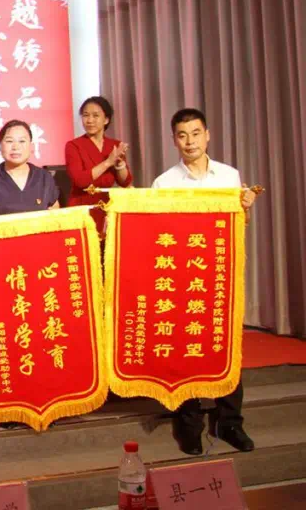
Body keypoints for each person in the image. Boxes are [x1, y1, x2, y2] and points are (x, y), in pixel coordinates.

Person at [152, 108, 257, 456]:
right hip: (182, 279)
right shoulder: (164, 183)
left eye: (195, 133)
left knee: (226, 347)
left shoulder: (228, 175)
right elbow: (158, 236)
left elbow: (238, 226)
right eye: (182, 135)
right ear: (174, 140)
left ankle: (230, 422)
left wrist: (246, 206)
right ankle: (189, 425)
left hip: (221, 274)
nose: (190, 141)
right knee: (186, 350)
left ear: (207, 135)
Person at [64, 96, 133, 230]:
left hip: (107, 207)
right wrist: (108, 162)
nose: (90, 120)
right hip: (82, 208)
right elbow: (80, 180)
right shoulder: (73, 146)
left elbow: (125, 182)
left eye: (95, 116)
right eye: (85, 115)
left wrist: (119, 165)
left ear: (106, 119)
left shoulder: (114, 145)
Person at [0, 120, 60, 217]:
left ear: (31, 146)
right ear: (0, 146)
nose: (16, 147)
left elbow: (55, 209)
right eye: (9, 141)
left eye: (22, 141)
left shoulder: (44, 177)